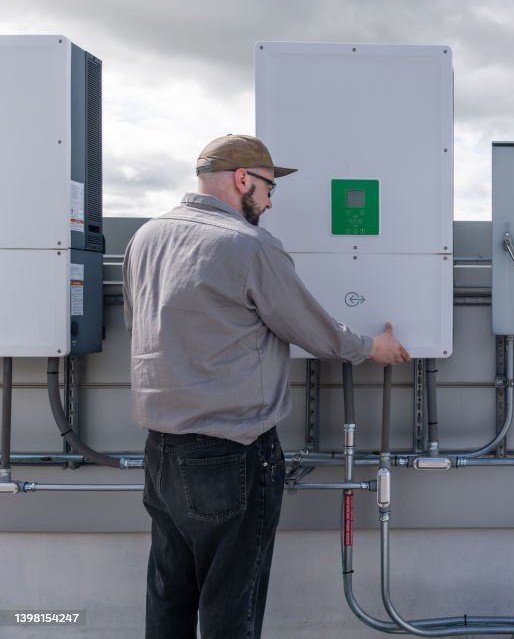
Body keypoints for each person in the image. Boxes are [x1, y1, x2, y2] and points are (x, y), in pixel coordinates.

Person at [122, 134, 410, 638]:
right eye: (269, 187)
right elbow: (311, 327)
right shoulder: (248, 246)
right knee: (231, 605)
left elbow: (137, 321)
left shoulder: (146, 238)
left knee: (169, 595)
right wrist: (371, 348)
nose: (271, 201)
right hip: (231, 451)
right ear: (242, 180)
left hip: (161, 450)